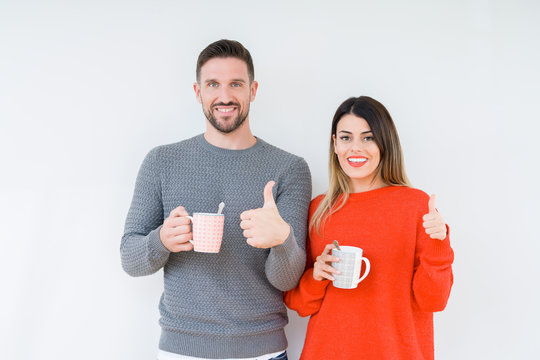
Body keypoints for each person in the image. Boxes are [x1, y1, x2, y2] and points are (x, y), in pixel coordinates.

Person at [121, 39, 311, 360]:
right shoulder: (162, 161)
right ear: (198, 92)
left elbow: (287, 278)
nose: (225, 96)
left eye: (236, 84)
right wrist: (162, 241)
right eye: (213, 84)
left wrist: (283, 240)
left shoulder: (289, 169)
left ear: (253, 90)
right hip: (181, 350)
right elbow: (130, 258)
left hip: (262, 352)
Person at [284, 96, 454, 360]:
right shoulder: (318, 210)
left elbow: (433, 301)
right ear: (335, 144)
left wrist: (439, 242)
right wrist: (316, 277)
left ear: (385, 143)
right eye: (345, 137)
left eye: (368, 138)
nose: (355, 148)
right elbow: (298, 304)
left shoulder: (417, 206)